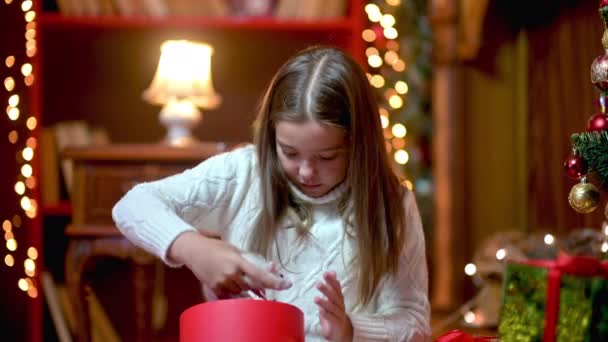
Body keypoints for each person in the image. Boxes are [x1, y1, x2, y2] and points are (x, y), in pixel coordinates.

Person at [112, 46, 430, 341]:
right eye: (289, 152)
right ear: (272, 136)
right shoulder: (242, 173)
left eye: (327, 157)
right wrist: (194, 249)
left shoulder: (393, 206)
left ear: (358, 146)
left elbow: (415, 324)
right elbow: (132, 206)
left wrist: (350, 328)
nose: (306, 172)